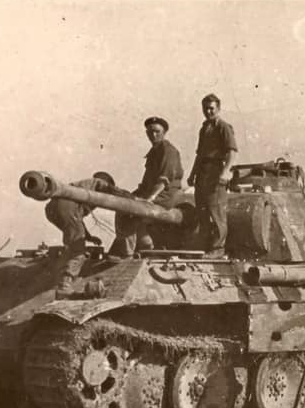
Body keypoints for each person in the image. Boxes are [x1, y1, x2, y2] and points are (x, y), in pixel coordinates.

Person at [109, 116, 185, 259]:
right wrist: (130, 196)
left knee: (132, 210)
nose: (153, 135)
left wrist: (149, 199)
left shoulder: (168, 151)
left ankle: (126, 253)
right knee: (123, 205)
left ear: (164, 132)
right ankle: (144, 243)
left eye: (157, 131)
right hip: (153, 194)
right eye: (149, 132)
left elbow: (164, 181)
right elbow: (146, 184)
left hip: (165, 196)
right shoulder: (153, 152)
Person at [45, 171, 116, 297]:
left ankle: (63, 274)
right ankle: (64, 286)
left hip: (52, 208)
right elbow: (112, 190)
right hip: (65, 206)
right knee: (78, 251)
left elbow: (77, 218)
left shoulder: (81, 188)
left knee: (72, 244)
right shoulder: (98, 183)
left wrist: (88, 236)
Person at [188, 93, 238, 258]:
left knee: (216, 210)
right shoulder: (204, 128)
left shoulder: (223, 127)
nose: (208, 111)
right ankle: (205, 245)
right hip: (203, 172)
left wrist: (225, 172)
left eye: (211, 108)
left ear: (218, 109)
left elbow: (232, 151)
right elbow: (199, 155)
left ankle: (218, 248)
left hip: (216, 171)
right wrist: (192, 174)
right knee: (202, 209)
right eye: (205, 108)